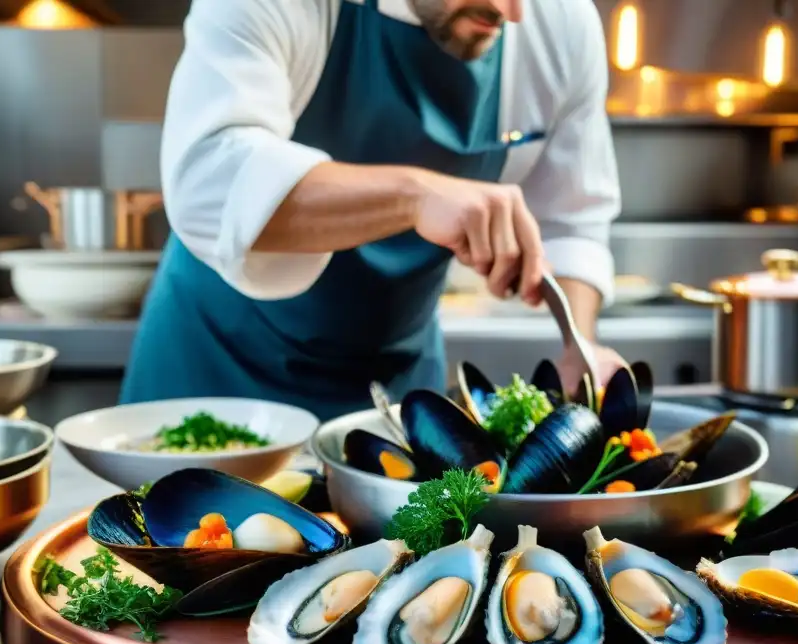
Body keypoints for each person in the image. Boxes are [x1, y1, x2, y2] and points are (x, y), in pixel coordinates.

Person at [120, 0, 625, 419]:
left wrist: (577, 345)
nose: (511, 13)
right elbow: (208, 177)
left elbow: (572, 221)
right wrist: (414, 196)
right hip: (216, 365)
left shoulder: (559, 21)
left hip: (396, 384)